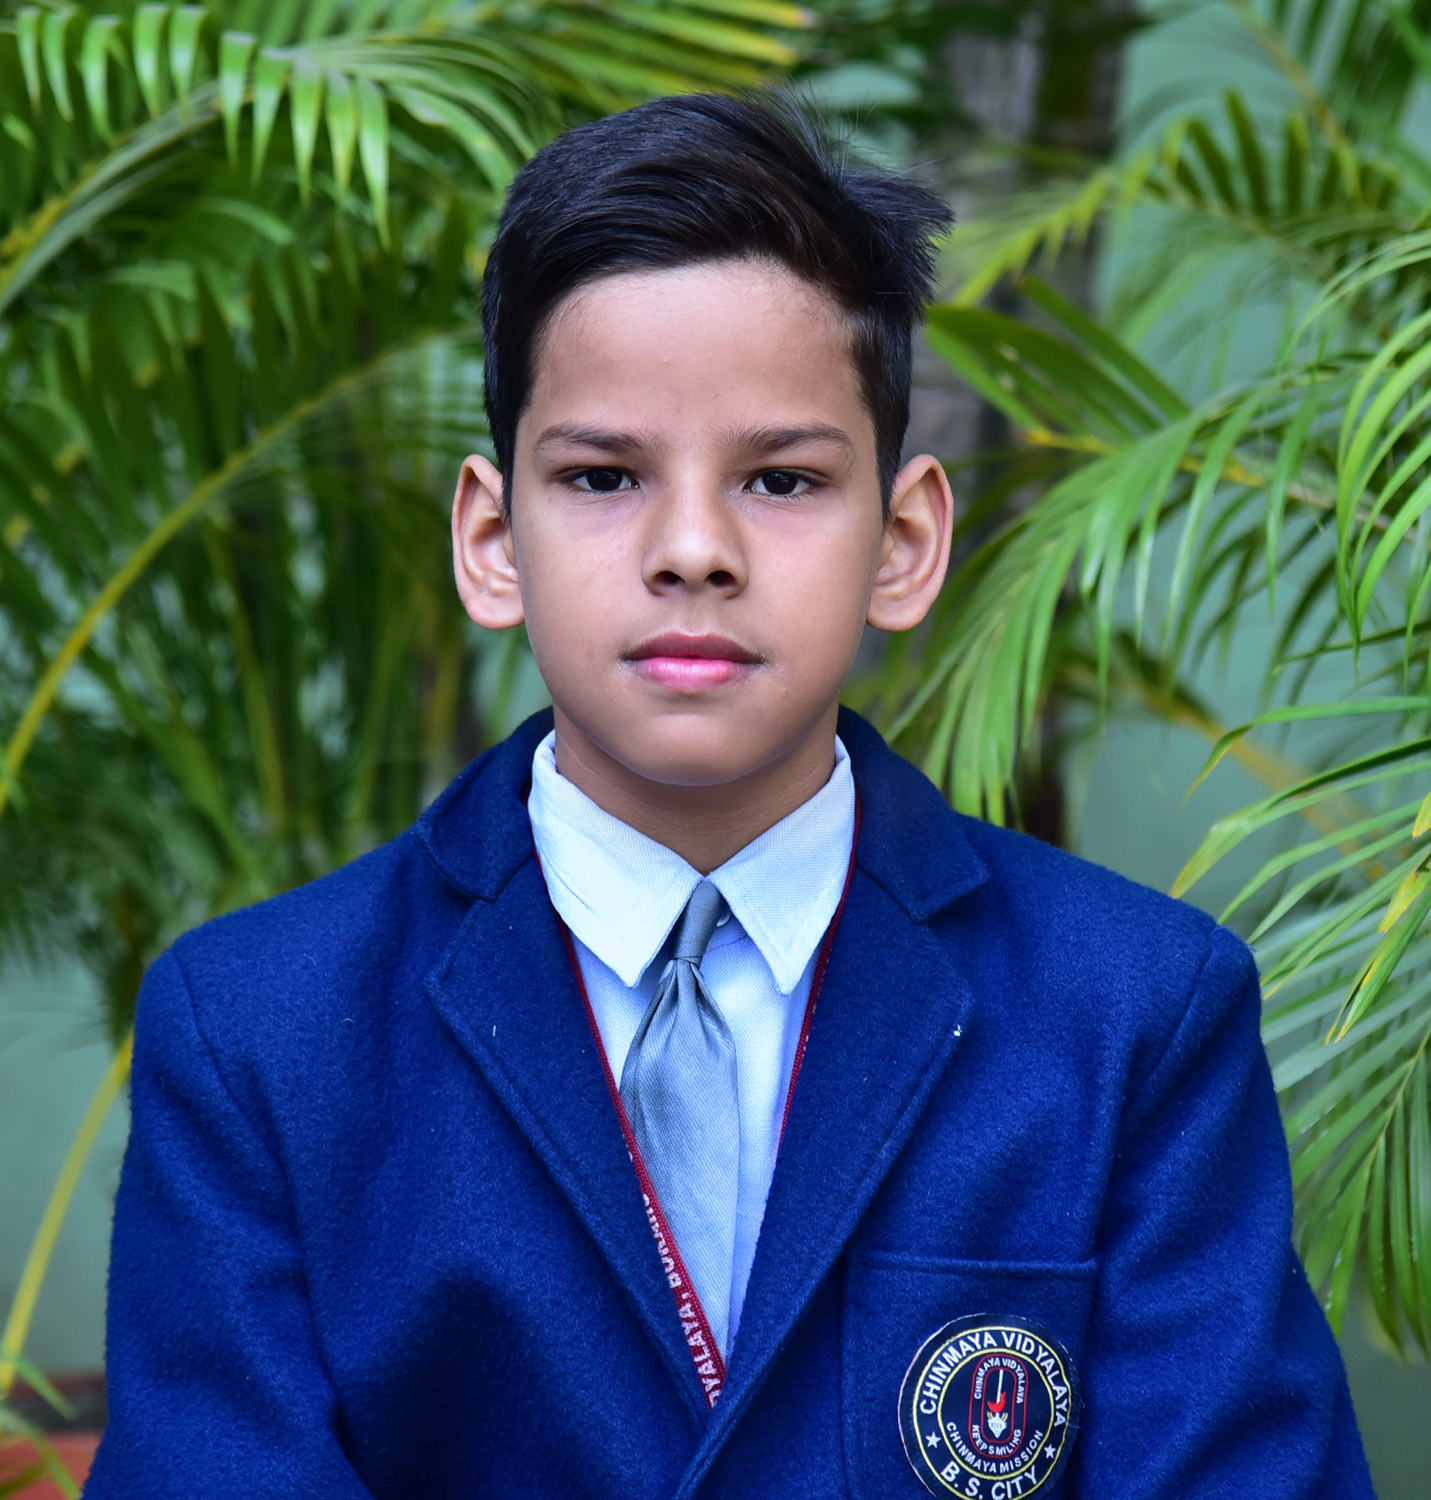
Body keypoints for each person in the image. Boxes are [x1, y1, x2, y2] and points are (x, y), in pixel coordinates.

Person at [87, 94, 1373, 1500]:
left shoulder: (1136, 1017)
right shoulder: (259, 1038)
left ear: (904, 540)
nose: (693, 548)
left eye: (780, 479)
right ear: (492, 538)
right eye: (602, 475)